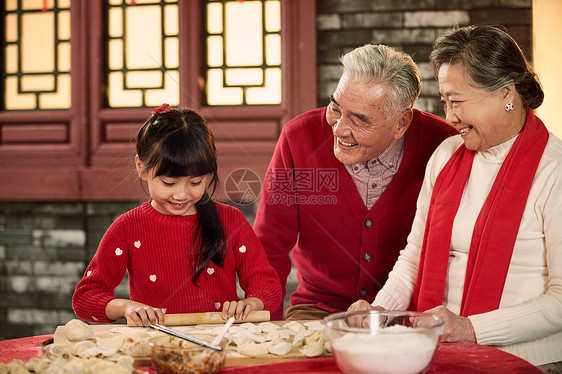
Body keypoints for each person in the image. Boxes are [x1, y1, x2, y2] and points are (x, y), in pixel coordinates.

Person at [348, 25, 562, 369]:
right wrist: (380, 310)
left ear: (506, 94)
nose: (450, 117)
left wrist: (471, 328)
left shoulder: (554, 170)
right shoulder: (447, 155)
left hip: (528, 362)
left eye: (457, 101)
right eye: (445, 102)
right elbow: (414, 257)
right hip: (439, 352)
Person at [253, 44, 458, 321]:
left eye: (359, 119)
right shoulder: (298, 138)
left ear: (400, 123)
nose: (338, 129)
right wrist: (266, 327)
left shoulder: (443, 145)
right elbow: (270, 245)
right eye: (336, 108)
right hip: (319, 310)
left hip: (408, 312)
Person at [73, 105, 282, 327]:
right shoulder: (127, 227)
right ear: (141, 167)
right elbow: (86, 296)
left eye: (195, 182)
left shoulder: (231, 220)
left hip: (221, 344)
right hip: (154, 346)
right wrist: (126, 307)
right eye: (169, 183)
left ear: (209, 174)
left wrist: (252, 303)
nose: (181, 194)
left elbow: (266, 283)